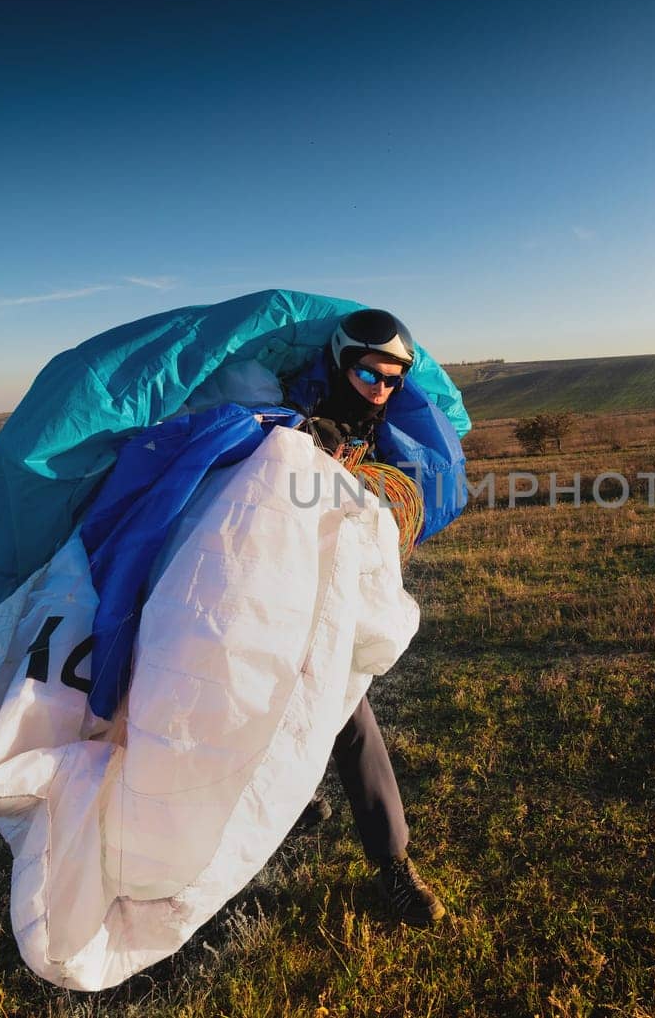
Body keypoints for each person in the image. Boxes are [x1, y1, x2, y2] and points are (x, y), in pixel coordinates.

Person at [287, 308, 447, 927]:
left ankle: (392, 864)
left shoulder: (374, 430)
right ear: (338, 363)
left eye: (390, 380)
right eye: (366, 375)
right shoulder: (288, 412)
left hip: (328, 597)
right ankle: (294, 797)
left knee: (347, 709)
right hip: (266, 587)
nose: (379, 389)